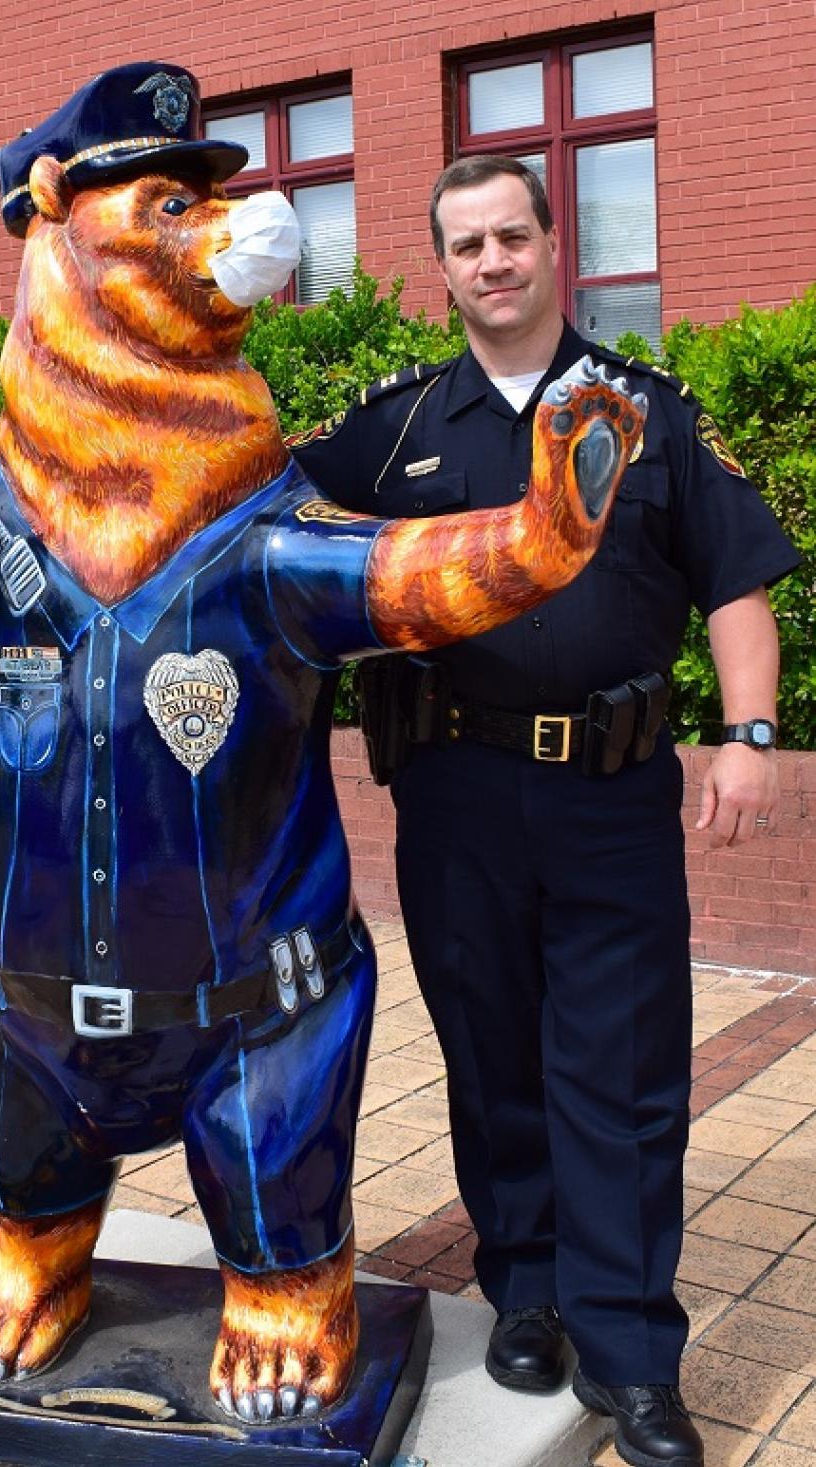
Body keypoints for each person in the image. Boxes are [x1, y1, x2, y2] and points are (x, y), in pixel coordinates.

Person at [292, 154, 800, 1467]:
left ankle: (634, 1359)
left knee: (622, 1079)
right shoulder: (391, 431)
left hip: (614, 798)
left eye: (512, 236)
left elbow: (739, 586)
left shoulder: (648, 414)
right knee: (496, 1059)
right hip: (455, 798)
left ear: (550, 245)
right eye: (467, 245)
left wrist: (748, 736)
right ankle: (527, 1293)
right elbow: (265, 527)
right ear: (445, 265)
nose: (493, 262)